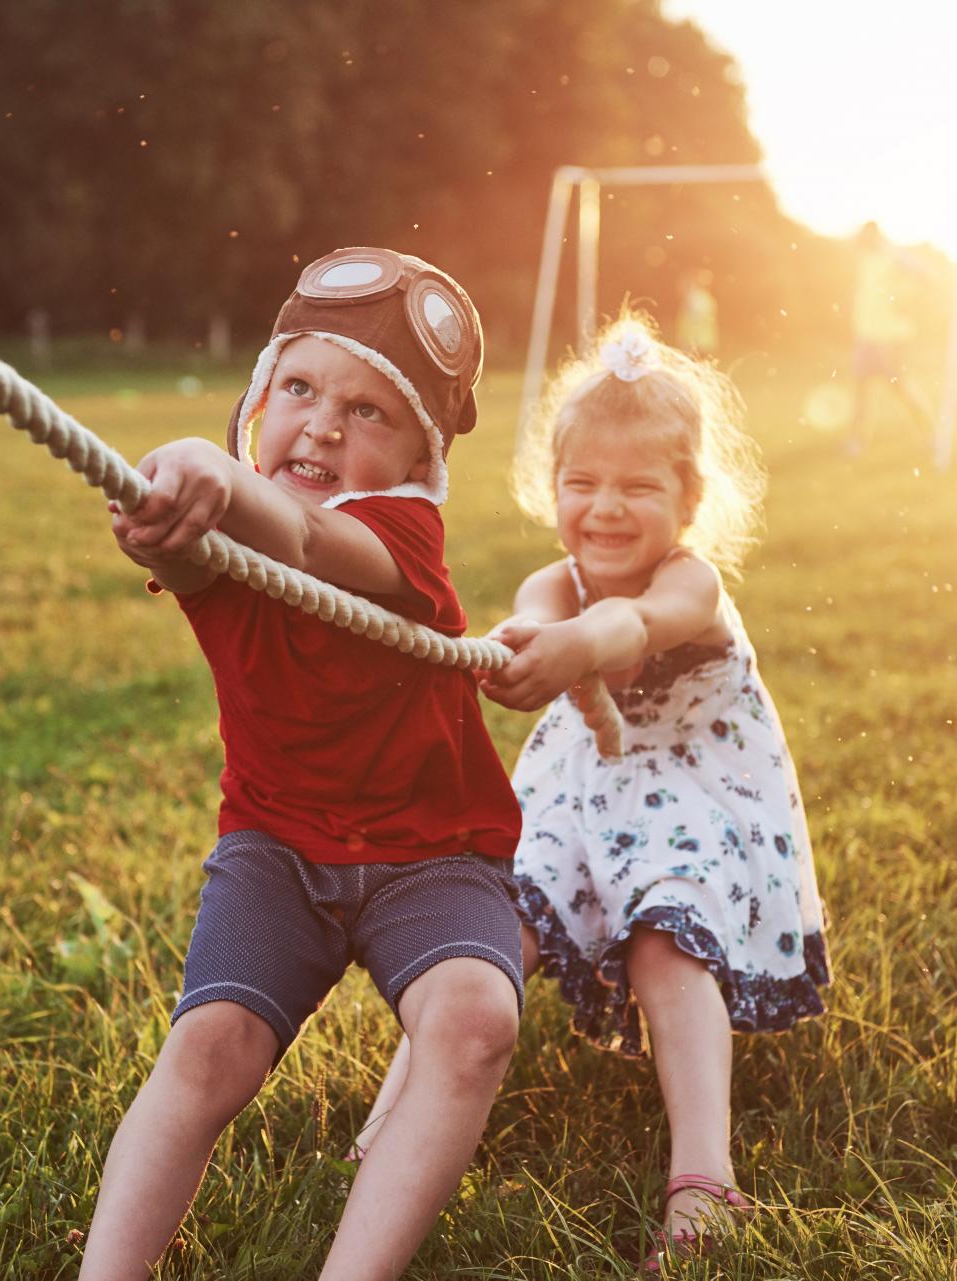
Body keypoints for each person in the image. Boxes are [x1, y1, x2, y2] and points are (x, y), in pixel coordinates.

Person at [81, 247, 526, 1281]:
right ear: (259, 399)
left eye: (369, 412)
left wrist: (213, 468)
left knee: (473, 1021)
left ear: (419, 460)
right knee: (209, 1049)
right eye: (299, 388)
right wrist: (159, 518)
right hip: (276, 846)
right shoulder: (226, 526)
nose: (323, 424)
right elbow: (179, 549)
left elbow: (309, 544)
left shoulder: (400, 533)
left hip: (434, 857)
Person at [353, 315, 830, 1273]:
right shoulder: (553, 583)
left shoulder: (691, 581)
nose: (605, 508)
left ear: (689, 498)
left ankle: (706, 1177)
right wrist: (532, 642)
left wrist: (582, 645)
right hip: (581, 792)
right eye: (583, 484)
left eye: (638, 486)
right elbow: (537, 618)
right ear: (551, 487)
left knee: (666, 941)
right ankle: (385, 1131)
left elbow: (641, 621)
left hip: (697, 799)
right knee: (496, 932)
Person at [845, 221, 935, 455]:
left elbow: (924, 276)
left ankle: (928, 431)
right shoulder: (866, 259)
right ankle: (857, 440)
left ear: (874, 236)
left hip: (892, 336)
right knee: (861, 388)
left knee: (899, 387)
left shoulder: (894, 256)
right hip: (866, 334)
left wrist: (906, 300)